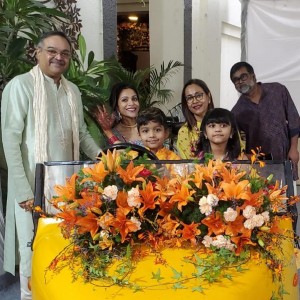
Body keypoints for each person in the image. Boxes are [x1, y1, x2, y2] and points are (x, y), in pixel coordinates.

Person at [1, 31, 101, 299]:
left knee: (63, 243)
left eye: (65, 53)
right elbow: (10, 140)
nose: (59, 57)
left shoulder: (73, 91)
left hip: (67, 186)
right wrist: (23, 189)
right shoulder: (21, 86)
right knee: (31, 247)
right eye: (52, 51)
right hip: (31, 187)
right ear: (37, 52)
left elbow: (81, 134)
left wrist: (104, 158)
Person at [230, 62, 300, 178]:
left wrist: (294, 149)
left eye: (243, 76)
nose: (240, 81)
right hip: (259, 167)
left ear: (253, 76)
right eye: (236, 80)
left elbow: (294, 120)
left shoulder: (278, 90)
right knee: (264, 195)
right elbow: (237, 144)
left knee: (290, 194)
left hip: (286, 157)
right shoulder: (237, 112)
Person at [177, 79, 214, 159]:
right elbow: (190, 164)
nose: (195, 101)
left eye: (199, 96)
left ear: (209, 96)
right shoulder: (185, 131)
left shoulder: (225, 123)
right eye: (189, 98)